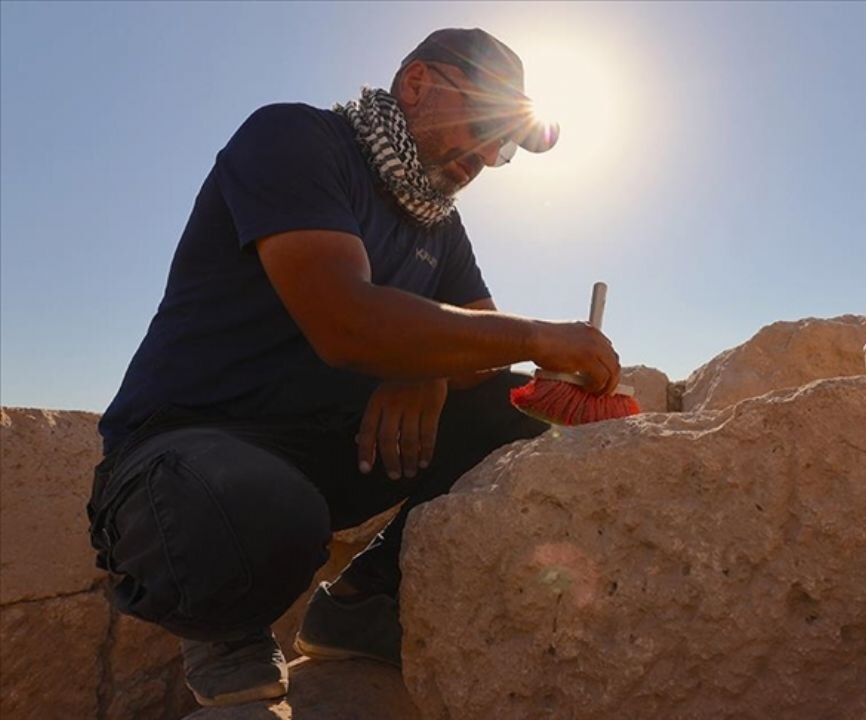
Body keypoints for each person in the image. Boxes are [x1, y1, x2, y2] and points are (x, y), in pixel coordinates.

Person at [87, 28, 621, 708]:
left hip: (325, 451)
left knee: (508, 411)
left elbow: (486, 356)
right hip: (181, 457)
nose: (490, 155)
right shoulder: (294, 140)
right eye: (488, 125)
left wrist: (426, 369)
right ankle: (227, 635)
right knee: (256, 503)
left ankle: (365, 598)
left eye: (507, 145)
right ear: (419, 83)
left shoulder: (439, 227)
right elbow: (344, 320)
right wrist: (539, 335)